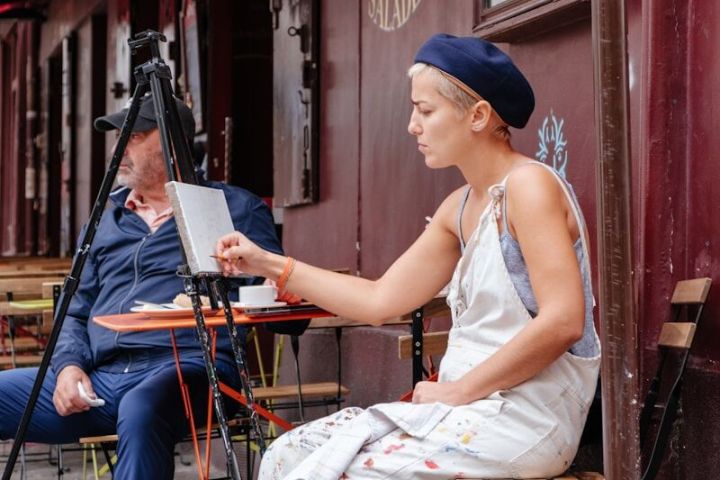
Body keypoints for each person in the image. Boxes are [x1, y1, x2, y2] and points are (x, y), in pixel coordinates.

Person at [215, 33, 601, 479]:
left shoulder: (530, 186)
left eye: (425, 110)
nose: (412, 126)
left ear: (477, 115)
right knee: (285, 454)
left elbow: (564, 320)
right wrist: (266, 262)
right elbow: (379, 300)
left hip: (527, 417)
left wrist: (458, 391)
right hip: (464, 408)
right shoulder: (459, 207)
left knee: (343, 473)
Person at [0, 94, 283, 479]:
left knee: (140, 408)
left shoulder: (233, 208)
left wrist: (274, 286)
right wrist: (67, 367)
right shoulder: (106, 217)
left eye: (132, 135)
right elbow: (75, 307)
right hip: (102, 376)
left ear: (170, 141)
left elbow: (274, 299)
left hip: (192, 370)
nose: (119, 147)